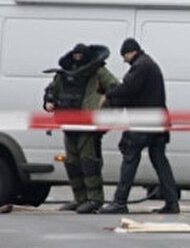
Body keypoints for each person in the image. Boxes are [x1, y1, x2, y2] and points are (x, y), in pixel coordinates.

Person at [98, 38, 179, 214]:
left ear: (131, 52)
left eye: (124, 55)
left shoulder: (141, 66)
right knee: (160, 162)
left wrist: (108, 95)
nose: (124, 60)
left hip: (144, 122)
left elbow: (129, 89)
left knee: (130, 159)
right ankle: (172, 202)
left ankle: (119, 202)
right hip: (157, 122)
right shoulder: (148, 64)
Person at [43, 44, 119, 213]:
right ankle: (80, 198)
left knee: (88, 162)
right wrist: (49, 102)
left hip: (87, 124)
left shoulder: (97, 71)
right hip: (68, 122)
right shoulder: (65, 73)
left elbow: (114, 86)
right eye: (75, 55)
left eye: (80, 55)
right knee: (72, 163)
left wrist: (105, 101)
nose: (77, 58)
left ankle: (94, 199)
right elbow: (51, 91)